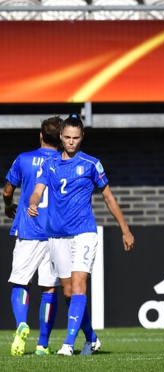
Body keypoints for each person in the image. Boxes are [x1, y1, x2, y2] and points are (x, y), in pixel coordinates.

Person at [28, 113, 135, 356]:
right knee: (67, 292)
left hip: (84, 233)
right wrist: (33, 203)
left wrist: (125, 230)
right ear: (61, 137)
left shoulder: (91, 164)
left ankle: (68, 344)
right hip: (56, 235)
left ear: (82, 137)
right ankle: (92, 338)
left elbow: (108, 197)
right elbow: (37, 191)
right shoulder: (50, 164)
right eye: (67, 137)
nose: (71, 142)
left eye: (76, 138)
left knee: (78, 286)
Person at [3, 116, 62, 356]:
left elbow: (8, 190)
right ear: (61, 138)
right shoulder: (64, 160)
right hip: (56, 233)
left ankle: (21, 324)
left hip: (28, 229)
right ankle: (43, 345)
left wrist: (8, 205)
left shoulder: (23, 159)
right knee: (49, 289)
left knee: (21, 282)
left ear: (40, 136)